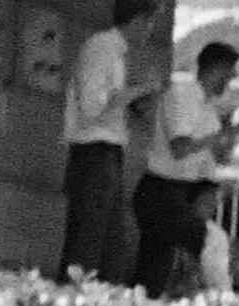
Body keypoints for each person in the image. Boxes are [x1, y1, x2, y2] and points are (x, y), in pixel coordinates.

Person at [134, 37, 239, 299]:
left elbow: (217, 161)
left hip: (180, 196)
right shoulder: (182, 95)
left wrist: (228, 139)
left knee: (152, 277)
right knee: (214, 241)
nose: (229, 82)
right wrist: (215, 139)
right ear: (214, 69)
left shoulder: (210, 112)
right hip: (159, 192)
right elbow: (179, 148)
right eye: (228, 74)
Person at [56, 0, 136, 281]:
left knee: (110, 244)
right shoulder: (102, 47)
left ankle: (92, 304)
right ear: (140, 20)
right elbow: (92, 107)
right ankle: (72, 303)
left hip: (108, 153)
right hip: (94, 151)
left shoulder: (116, 53)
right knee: (89, 240)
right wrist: (135, 93)